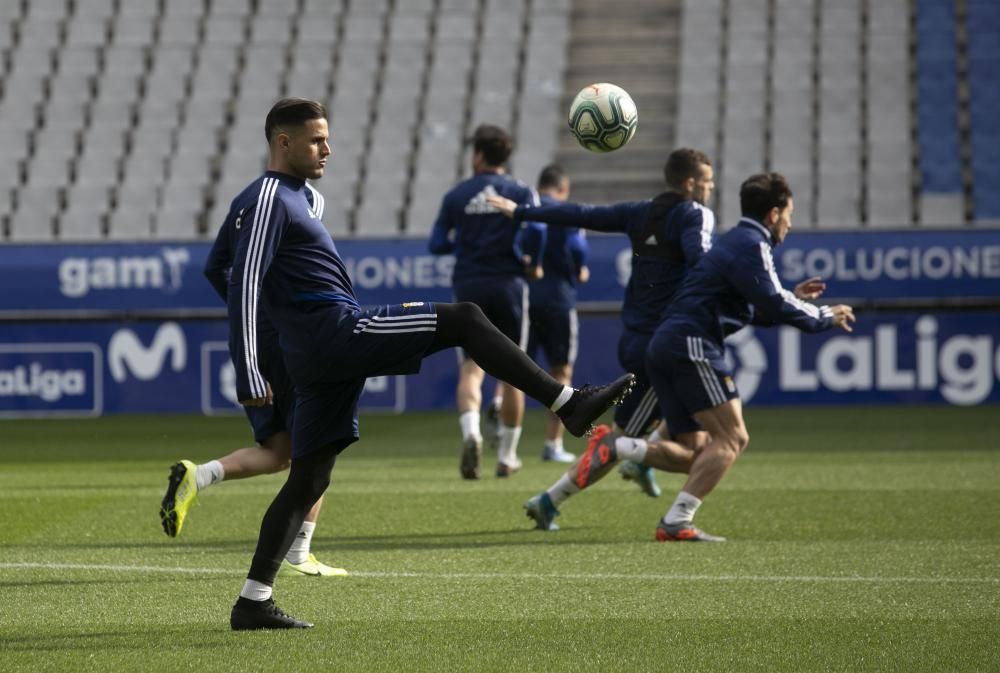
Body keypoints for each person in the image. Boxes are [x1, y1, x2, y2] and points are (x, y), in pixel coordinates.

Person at [223, 98, 635, 629]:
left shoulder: (305, 200)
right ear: (282, 142)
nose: (328, 149)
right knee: (464, 318)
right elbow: (243, 282)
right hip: (335, 334)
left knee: (308, 479)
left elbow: (247, 273)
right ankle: (568, 403)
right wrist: (249, 369)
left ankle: (252, 601)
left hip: (322, 350)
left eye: (327, 138)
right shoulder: (267, 199)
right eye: (315, 140)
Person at [488, 149, 717, 528]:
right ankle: (622, 470)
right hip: (665, 345)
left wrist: (524, 212)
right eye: (707, 182)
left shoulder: (640, 211)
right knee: (685, 444)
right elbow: (702, 263)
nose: (711, 189)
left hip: (638, 338)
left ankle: (564, 494)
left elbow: (580, 214)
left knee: (689, 435)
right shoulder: (695, 215)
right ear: (691, 183)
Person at [636, 172, 854, 540]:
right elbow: (773, 302)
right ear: (773, 213)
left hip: (668, 342)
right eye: (789, 213)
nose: (790, 223)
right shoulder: (752, 244)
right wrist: (824, 316)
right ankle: (676, 520)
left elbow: (755, 307)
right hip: (691, 343)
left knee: (695, 447)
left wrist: (794, 298)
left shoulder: (736, 242)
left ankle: (624, 448)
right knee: (733, 438)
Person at [157, 183, 345, 577]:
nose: (324, 150)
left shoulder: (246, 200)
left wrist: (250, 311)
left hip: (257, 334)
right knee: (318, 443)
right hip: (288, 337)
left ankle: (199, 475)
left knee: (280, 452)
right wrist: (268, 310)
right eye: (317, 140)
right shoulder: (300, 198)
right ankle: (300, 553)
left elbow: (214, 267)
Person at [428, 124, 547, 479]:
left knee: (470, 368)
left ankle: (472, 434)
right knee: (513, 373)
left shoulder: (457, 195)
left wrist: (465, 244)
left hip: (469, 283)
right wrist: (534, 262)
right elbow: (538, 228)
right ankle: (507, 457)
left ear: (477, 155)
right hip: (509, 283)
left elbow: (436, 244)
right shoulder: (521, 191)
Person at [522, 164, 589, 463]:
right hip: (559, 301)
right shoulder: (568, 212)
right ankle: (553, 445)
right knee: (561, 373)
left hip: (525, 299)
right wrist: (580, 269)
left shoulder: (525, 210)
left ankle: (506, 444)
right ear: (563, 189)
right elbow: (577, 248)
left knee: (514, 370)